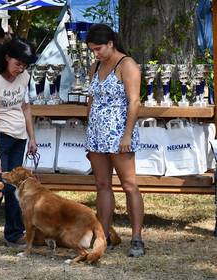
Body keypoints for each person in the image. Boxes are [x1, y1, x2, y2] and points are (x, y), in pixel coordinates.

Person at [85, 23, 145, 257]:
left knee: (129, 185)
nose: (96, 53)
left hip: (120, 134)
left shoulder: (127, 64)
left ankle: (137, 238)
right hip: (97, 135)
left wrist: (127, 135)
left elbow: (134, 102)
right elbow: (91, 100)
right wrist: (89, 131)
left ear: (111, 43)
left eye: (99, 48)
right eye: (92, 50)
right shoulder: (95, 66)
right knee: (102, 185)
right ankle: (104, 235)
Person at [0, 38, 37, 247]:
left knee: (15, 188)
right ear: (7, 58)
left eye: (25, 65)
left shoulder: (24, 76)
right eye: (18, 64)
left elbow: (26, 107)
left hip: (19, 137)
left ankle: (14, 233)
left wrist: (32, 138)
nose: (21, 69)